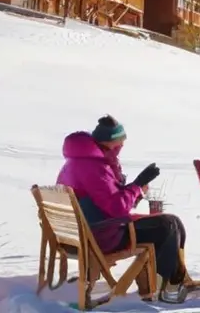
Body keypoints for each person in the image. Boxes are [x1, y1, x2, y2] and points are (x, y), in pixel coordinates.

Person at [56, 115, 189, 303]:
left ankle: (169, 278)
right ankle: (169, 285)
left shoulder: (75, 162)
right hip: (101, 235)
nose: (122, 146)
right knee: (168, 225)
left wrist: (135, 189)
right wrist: (137, 186)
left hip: (80, 234)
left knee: (170, 222)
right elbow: (118, 207)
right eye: (120, 141)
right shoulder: (94, 167)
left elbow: (107, 199)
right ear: (110, 142)